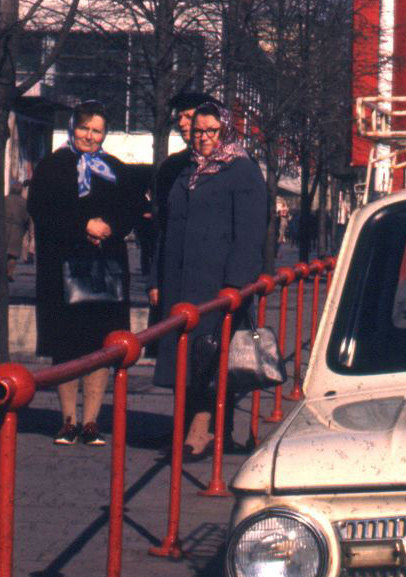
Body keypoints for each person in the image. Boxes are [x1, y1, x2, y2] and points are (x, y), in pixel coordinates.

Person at [152, 101, 268, 459]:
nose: (202, 138)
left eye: (211, 131)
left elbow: (249, 234)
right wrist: (156, 279)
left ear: (226, 131)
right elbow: (165, 227)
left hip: (215, 285)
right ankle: (186, 427)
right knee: (182, 358)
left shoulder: (242, 171)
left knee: (209, 358)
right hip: (178, 282)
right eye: (197, 131)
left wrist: (234, 285)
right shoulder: (185, 170)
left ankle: (201, 431)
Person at [27, 104, 142, 446]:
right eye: (84, 129)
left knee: (100, 347)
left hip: (105, 270)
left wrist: (110, 228)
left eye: (97, 131)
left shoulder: (117, 170)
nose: (90, 136)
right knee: (67, 346)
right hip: (61, 269)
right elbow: (41, 211)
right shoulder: (51, 167)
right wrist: (83, 227)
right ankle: (68, 421)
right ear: (72, 128)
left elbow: (131, 209)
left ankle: (91, 421)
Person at [145, 88, 206, 309]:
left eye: (188, 117)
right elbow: (162, 227)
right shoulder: (171, 167)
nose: (181, 123)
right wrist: (154, 280)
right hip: (172, 274)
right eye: (179, 117)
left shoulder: (233, 165)